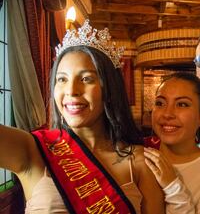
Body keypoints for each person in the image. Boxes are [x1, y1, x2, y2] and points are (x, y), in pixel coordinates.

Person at [0, 20, 164, 213]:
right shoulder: (32, 149)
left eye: (86, 79)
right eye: (62, 79)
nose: (71, 90)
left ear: (109, 88)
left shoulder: (139, 161)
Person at [144, 72, 200, 213]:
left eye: (182, 104)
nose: (167, 114)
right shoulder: (139, 152)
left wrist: (172, 187)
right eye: (160, 103)